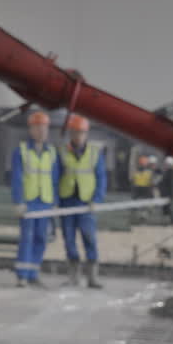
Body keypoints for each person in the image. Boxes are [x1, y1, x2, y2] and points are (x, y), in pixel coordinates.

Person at [11, 110, 60, 287]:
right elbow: (16, 178)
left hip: (45, 202)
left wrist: (55, 202)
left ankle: (33, 273)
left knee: (41, 238)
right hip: (29, 202)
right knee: (27, 238)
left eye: (44, 128)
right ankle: (22, 275)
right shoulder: (21, 152)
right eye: (37, 127)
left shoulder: (53, 152)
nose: (41, 131)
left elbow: (55, 180)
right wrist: (18, 202)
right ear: (31, 129)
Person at [59, 114, 107, 288]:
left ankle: (92, 277)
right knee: (69, 239)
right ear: (70, 133)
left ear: (86, 134)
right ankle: (74, 277)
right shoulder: (62, 151)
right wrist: (56, 201)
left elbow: (101, 178)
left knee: (89, 238)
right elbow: (56, 176)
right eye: (75, 132)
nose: (78, 136)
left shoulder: (94, 153)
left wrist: (97, 200)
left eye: (81, 132)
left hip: (86, 203)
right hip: (67, 201)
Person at [158, 156, 173, 224]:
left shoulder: (171, 173)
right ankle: (167, 221)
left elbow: (170, 185)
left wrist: (170, 195)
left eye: (166, 164)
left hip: (167, 194)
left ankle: (172, 221)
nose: (165, 165)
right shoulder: (167, 172)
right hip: (165, 194)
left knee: (168, 208)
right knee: (165, 209)